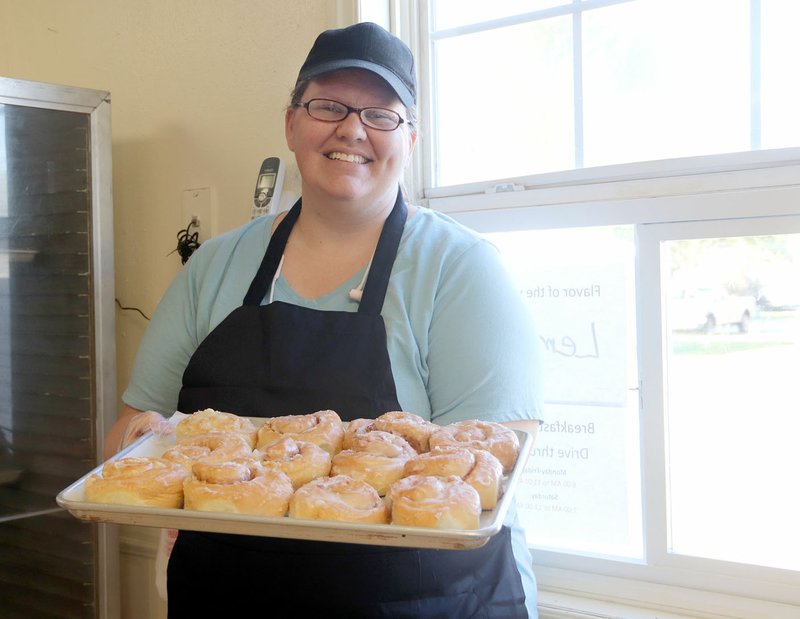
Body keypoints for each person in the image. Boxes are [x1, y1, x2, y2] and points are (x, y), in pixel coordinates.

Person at [106, 21, 542, 618]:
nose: (351, 129)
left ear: (410, 139)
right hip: (225, 595)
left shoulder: (461, 272)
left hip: (420, 601)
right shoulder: (214, 267)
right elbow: (131, 434)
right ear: (290, 124)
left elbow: (496, 469)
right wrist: (146, 449)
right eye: (327, 105)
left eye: (380, 114)